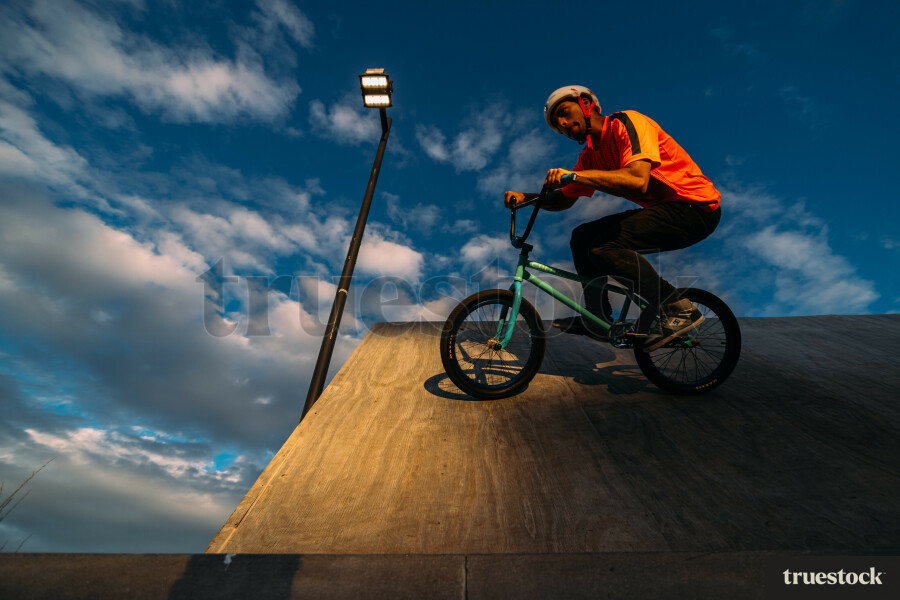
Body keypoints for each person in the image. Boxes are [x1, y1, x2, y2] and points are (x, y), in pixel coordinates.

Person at [504, 85, 721, 350]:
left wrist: (574, 176)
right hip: (664, 209)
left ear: (586, 104)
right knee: (582, 237)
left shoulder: (627, 123)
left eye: (564, 113)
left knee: (603, 246)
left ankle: (677, 308)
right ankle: (597, 319)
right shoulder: (590, 156)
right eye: (558, 126)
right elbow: (563, 199)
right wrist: (526, 198)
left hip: (695, 207)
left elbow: (637, 180)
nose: (562, 124)